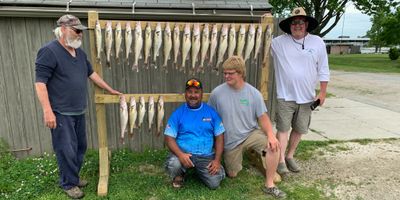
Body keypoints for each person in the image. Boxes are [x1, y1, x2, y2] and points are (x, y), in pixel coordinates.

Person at [35, 14, 121, 199]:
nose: (80, 34)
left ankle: (72, 176)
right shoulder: (49, 51)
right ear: (63, 29)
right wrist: (47, 111)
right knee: (65, 148)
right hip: (60, 112)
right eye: (77, 31)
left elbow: (92, 74)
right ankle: (68, 183)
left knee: (80, 147)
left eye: (81, 31)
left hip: (78, 110)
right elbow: (40, 83)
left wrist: (110, 89)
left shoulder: (79, 53)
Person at [208, 56, 286, 198]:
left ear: (240, 73)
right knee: (232, 173)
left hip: (250, 133)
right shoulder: (216, 93)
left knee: (273, 146)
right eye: (224, 73)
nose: (226, 76)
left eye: (230, 73)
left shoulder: (254, 94)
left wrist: (270, 135)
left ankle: (269, 183)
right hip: (230, 140)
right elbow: (209, 119)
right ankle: (254, 157)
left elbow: (263, 118)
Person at [271, 7, 330, 175]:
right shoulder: (278, 42)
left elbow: (324, 68)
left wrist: (323, 92)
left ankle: (290, 155)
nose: (297, 25)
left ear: (306, 24)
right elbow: (259, 37)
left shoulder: (317, 42)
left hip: (307, 97)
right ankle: (281, 159)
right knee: (283, 128)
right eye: (294, 22)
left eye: (301, 22)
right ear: (289, 25)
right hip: (285, 95)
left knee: (300, 128)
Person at [164, 78, 225, 189]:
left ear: (201, 94)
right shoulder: (177, 113)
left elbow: (220, 137)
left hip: (205, 156)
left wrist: (217, 160)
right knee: (174, 164)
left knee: (214, 184)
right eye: (189, 92)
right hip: (184, 154)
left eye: (196, 92)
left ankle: (203, 170)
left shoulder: (211, 113)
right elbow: (169, 138)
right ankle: (179, 175)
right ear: (185, 94)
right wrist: (180, 154)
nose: (193, 95)